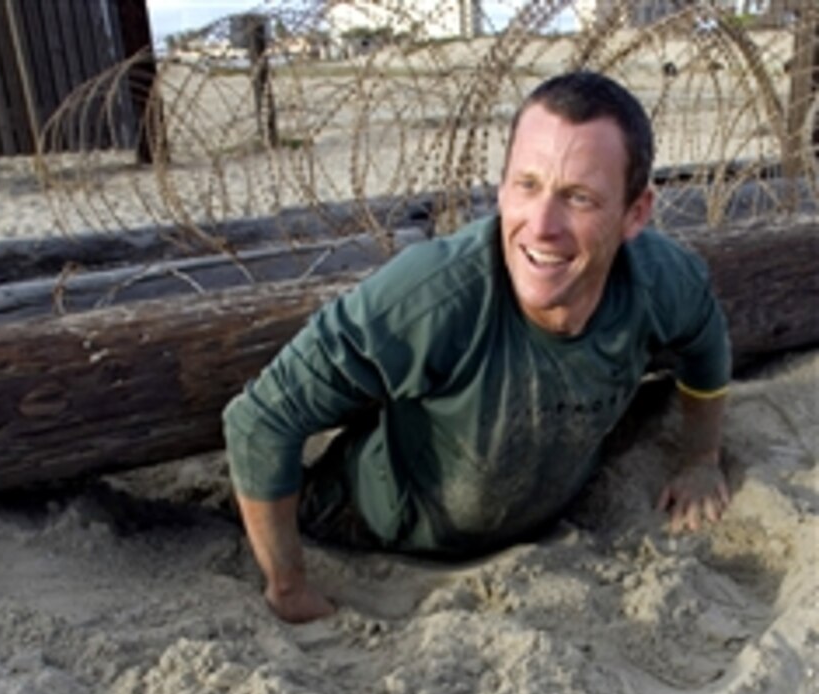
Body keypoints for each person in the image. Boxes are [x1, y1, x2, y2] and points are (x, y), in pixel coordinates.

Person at [222, 71, 732, 624]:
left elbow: (706, 343)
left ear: (636, 212)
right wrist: (288, 587)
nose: (541, 227)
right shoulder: (431, 298)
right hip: (370, 535)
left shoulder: (661, 279)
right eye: (527, 185)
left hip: (542, 537)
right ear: (500, 187)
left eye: (579, 198)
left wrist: (701, 458)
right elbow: (260, 419)